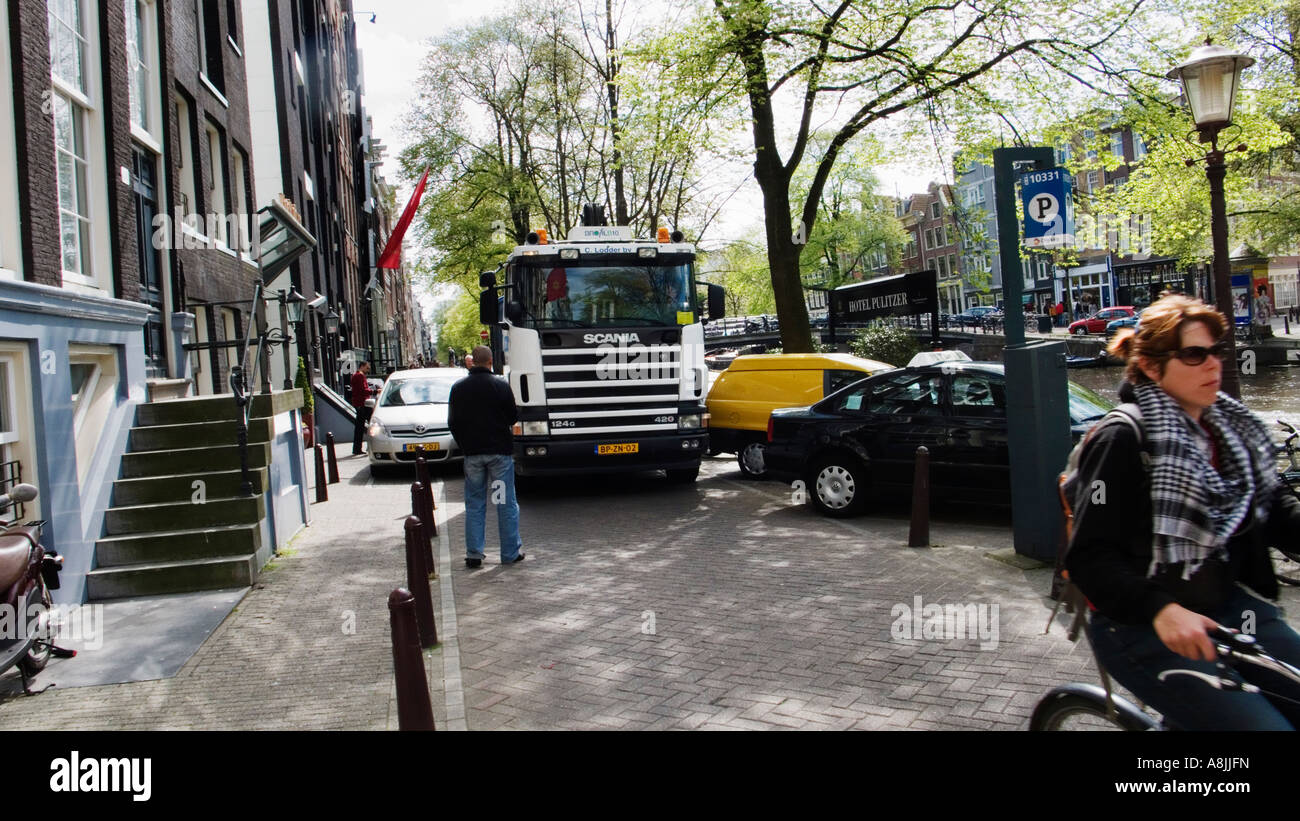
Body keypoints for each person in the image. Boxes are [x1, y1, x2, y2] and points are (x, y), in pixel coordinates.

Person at [1065, 294, 1300, 730]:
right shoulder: (1122, 438)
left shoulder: (1228, 429)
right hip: (1140, 624)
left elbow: (1271, 507)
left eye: (1217, 351)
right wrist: (1161, 610)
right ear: (1153, 367)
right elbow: (1089, 557)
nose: (1214, 364)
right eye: (1194, 354)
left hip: (1225, 606)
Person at [448, 346, 524, 568]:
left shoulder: (458, 388)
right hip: (498, 456)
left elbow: (453, 422)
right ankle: (509, 553)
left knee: (475, 504)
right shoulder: (500, 385)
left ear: (472, 363)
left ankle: (474, 554)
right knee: (503, 503)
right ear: (490, 361)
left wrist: (465, 445)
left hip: (473, 455)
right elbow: (512, 417)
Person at [350, 361, 374, 456]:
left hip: (359, 403)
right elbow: (363, 390)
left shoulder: (355, 375)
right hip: (363, 404)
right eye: (367, 368)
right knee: (374, 425)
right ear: (362, 366)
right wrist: (375, 391)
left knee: (359, 427)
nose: (368, 370)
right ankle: (373, 446)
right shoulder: (360, 376)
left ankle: (357, 448)